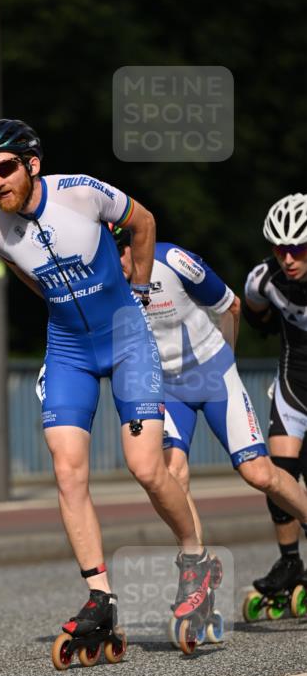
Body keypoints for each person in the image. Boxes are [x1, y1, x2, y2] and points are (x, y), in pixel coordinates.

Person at [0, 117, 211, 657]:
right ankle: (99, 596)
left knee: (147, 468)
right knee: (66, 469)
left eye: (5, 169)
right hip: (69, 350)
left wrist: (143, 292)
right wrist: (64, 313)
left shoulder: (81, 193)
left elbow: (144, 221)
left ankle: (195, 563)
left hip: (126, 338)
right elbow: (32, 278)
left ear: (32, 165)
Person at [112, 224, 307, 548]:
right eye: (108, 252)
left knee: (258, 473)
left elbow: (231, 305)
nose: (116, 260)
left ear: (134, 244)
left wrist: (225, 364)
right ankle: (197, 567)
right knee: (172, 474)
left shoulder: (172, 259)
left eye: (120, 249)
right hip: (168, 387)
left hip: (213, 372)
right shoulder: (105, 283)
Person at [242, 193, 307, 606]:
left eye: (297, 248)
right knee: (278, 473)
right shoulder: (261, 279)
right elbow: (254, 311)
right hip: (295, 381)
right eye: (280, 248)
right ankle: (289, 561)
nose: (288, 258)